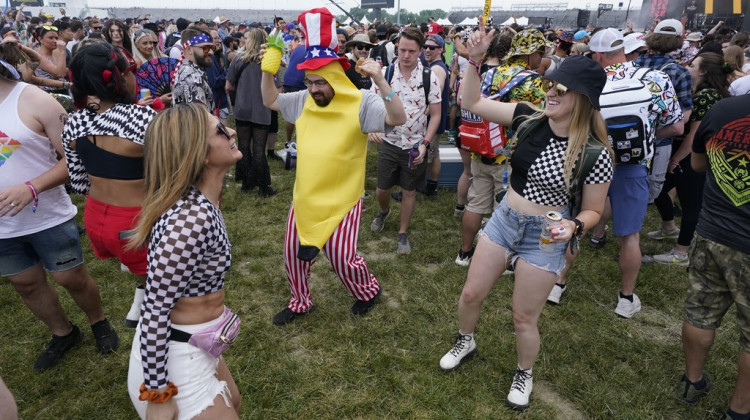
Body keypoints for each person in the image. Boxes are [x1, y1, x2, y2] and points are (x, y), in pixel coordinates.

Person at [438, 22, 614, 411]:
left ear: (583, 99)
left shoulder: (596, 152)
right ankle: (466, 339)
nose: (550, 92)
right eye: (550, 85)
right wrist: (475, 61)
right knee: (470, 293)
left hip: (545, 235)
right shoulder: (528, 117)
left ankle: (524, 373)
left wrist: (576, 225)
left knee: (523, 317)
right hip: (504, 220)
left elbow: (594, 208)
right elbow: (473, 102)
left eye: (560, 89)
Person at [260, 7, 406, 326]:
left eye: (320, 83)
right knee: (292, 256)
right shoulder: (304, 101)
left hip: (344, 198)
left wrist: (381, 79)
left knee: (342, 257)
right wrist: (267, 70)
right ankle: (300, 301)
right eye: (310, 82)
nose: (314, 89)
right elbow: (270, 101)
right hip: (306, 197)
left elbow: (397, 118)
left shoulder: (361, 102)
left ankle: (367, 291)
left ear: (336, 78)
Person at [0, 51, 119, 372]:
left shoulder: (33, 100)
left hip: (47, 216)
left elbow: (77, 159)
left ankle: (99, 321)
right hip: (3, 230)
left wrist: (32, 187)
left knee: (71, 277)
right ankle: (63, 332)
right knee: (25, 283)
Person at [551, 28, 684, 312]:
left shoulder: (588, 82)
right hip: (633, 167)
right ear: (623, 49)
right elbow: (676, 126)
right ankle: (625, 299)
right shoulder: (655, 79)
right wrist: (648, 132)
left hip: (591, 162)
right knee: (630, 235)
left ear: (597, 55)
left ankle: (557, 284)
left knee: (576, 225)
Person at [126, 103, 242, 419]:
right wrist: (160, 396)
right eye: (220, 130)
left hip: (197, 343)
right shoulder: (190, 220)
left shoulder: (202, 201)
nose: (231, 131)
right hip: (174, 360)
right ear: (198, 154)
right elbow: (154, 310)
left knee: (235, 400)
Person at [62, 42, 158, 329]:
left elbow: (78, 182)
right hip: (135, 222)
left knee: (138, 266)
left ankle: (141, 292)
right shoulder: (143, 118)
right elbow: (168, 177)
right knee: (163, 286)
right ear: (119, 77)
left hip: (96, 218)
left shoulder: (73, 122)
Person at [674, 92, 750, 420]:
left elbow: (697, 163)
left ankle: (691, 383)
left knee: (699, 312)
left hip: (712, 231)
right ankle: (739, 410)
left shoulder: (723, 109)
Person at [455, 28, 548, 267]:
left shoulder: (489, 74)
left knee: (475, 205)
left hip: (480, 150)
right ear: (530, 54)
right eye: (540, 52)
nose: (542, 56)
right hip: (509, 158)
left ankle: (464, 253)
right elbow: (544, 118)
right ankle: (502, 262)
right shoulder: (534, 81)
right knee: (504, 210)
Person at [647, 52, 730, 264]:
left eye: (692, 65)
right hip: (685, 153)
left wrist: (675, 159)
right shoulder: (703, 93)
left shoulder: (706, 96)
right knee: (659, 189)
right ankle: (669, 227)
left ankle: (681, 252)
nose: (687, 67)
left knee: (690, 203)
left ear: (703, 71)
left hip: (691, 156)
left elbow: (695, 133)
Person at [369, 26, 442, 255]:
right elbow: (372, 104)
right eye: (402, 50)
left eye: (412, 51)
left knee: (409, 191)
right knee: (382, 188)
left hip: (414, 146)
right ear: (396, 49)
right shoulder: (385, 75)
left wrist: (426, 143)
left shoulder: (429, 78)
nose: (406, 55)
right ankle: (383, 211)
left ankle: (402, 232)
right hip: (389, 142)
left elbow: (436, 114)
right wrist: (374, 128)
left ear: (421, 50)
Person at [635, 19, 693, 204]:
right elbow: (684, 116)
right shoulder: (679, 72)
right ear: (677, 42)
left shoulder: (632, 65)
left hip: (627, 134)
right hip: (661, 138)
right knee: (653, 186)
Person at [226, 28, 278, 197]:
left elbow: (229, 85)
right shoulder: (267, 61)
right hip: (262, 109)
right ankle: (263, 187)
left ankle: (247, 183)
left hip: (242, 108)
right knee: (258, 149)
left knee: (243, 145)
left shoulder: (238, 58)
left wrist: (242, 90)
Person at [172, 27, 215, 110]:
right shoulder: (191, 76)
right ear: (189, 50)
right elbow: (201, 116)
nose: (211, 52)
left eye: (212, 48)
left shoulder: (188, 69)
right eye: (205, 48)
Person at [33, 25, 71, 93]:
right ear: (40, 39)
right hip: (50, 93)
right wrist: (62, 52)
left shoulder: (55, 53)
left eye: (56, 38)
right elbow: (60, 74)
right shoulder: (39, 56)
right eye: (51, 38)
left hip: (63, 91)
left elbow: (63, 71)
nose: (55, 41)